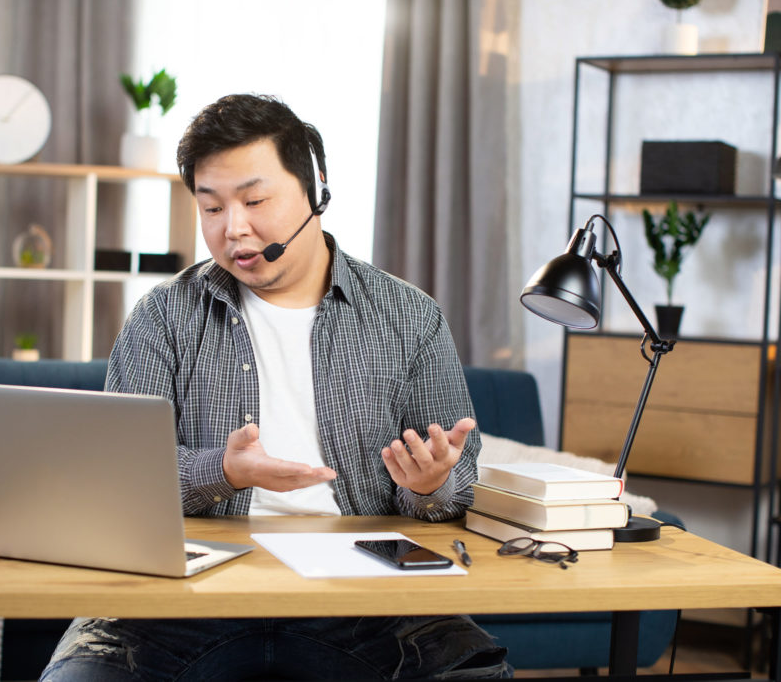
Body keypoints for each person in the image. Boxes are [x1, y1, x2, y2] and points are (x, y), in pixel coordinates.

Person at [41, 94, 509, 680]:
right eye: (211, 209)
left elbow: (457, 487)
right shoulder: (162, 317)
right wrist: (226, 471)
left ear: (315, 189)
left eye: (255, 200)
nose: (234, 228)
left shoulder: (408, 316)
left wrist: (431, 485)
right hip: (182, 595)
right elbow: (117, 481)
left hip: (364, 597)